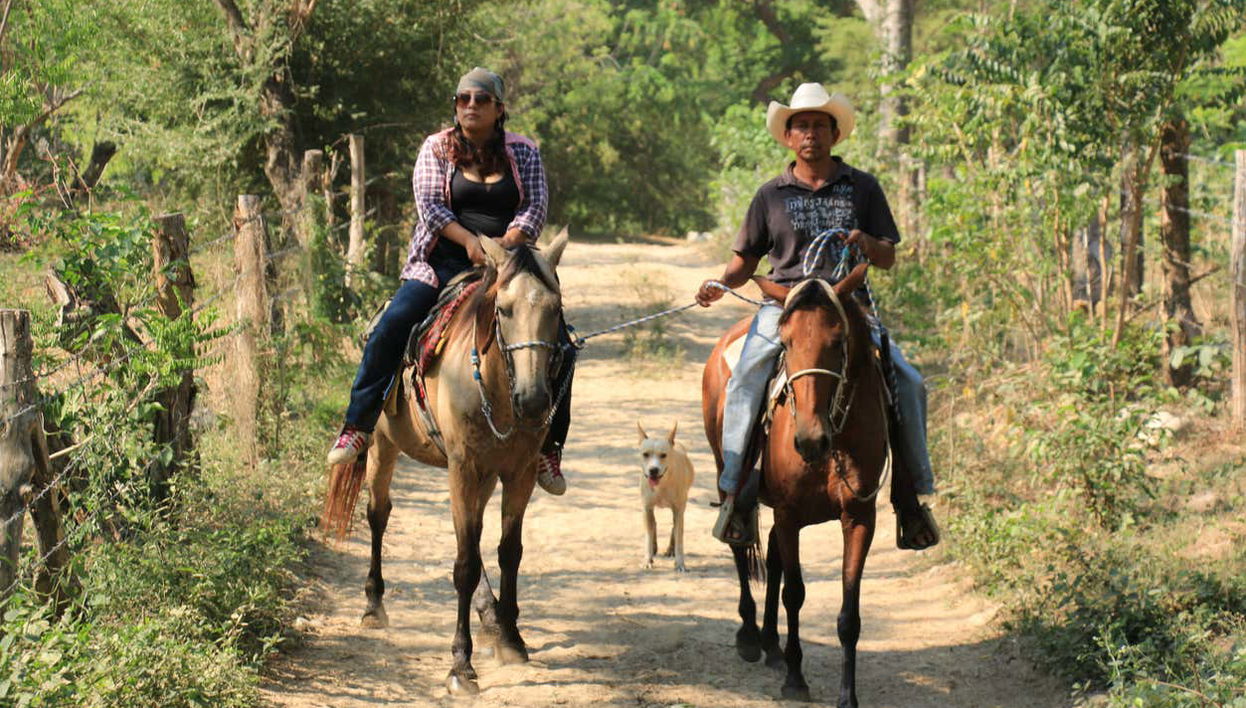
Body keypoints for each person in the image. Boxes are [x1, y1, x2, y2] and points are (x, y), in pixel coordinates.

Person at [695, 83, 939, 549]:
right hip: (785, 305)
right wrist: (720, 284)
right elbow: (746, 259)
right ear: (788, 137)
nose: (811, 134)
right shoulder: (771, 195)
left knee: (907, 381)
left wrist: (866, 243)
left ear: (835, 134)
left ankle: (911, 500)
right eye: (801, 126)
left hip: (847, 307)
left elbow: (886, 256)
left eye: (820, 126)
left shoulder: (863, 187)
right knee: (746, 375)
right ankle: (736, 492)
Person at [327, 66, 571, 495]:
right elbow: (431, 209)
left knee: (561, 341)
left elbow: (534, 207)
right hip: (441, 262)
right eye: (463, 99)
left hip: (510, 264)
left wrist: (505, 243)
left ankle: (549, 447)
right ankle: (358, 423)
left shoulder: (525, 152)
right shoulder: (436, 148)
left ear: (499, 109)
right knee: (391, 325)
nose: (471, 106)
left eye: (481, 99)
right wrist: (471, 243)